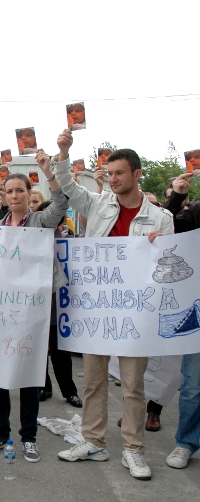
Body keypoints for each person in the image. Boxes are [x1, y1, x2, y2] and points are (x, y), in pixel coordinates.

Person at [53, 129, 174, 480]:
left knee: (134, 387)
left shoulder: (161, 218)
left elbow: (167, 267)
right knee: (93, 381)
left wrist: (161, 244)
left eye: (120, 172)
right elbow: (68, 187)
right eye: (110, 172)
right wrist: (64, 152)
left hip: (135, 316)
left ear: (137, 175)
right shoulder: (98, 203)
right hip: (98, 312)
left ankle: (133, 450)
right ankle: (93, 441)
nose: (114, 178)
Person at [0, 150, 69, 464]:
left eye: (20, 191)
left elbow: (61, 204)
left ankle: (28, 436)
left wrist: (49, 172)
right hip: (2, 313)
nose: (15, 195)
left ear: (29, 195)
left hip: (32, 312)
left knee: (30, 374)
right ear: (3, 195)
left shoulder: (41, 221)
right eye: (10, 191)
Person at [161, 172, 200, 469]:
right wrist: (177, 195)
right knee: (193, 385)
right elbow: (170, 224)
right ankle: (186, 443)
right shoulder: (196, 211)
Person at [35, 201, 82, 407]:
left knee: (60, 351)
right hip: (37, 303)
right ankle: (43, 386)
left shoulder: (68, 241)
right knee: (38, 350)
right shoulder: (31, 239)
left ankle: (69, 391)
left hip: (60, 305)